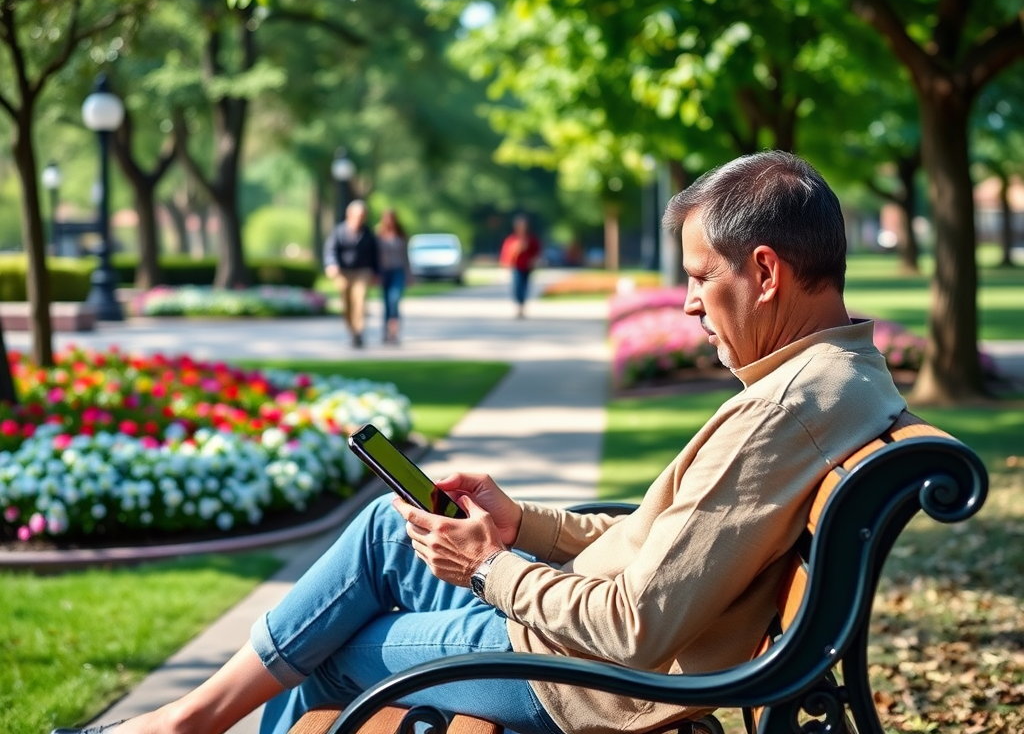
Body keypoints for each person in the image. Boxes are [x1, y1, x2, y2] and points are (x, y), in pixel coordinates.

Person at [54, 151, 908, 734]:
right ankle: (190, 720)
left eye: (697, 278)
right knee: (393, 529)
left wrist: (487, 568)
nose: (687, 304)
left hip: (587, 684)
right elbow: (656, 545)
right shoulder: (829, 381)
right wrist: (517, 522)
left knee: (335, 655)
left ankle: (186, 723)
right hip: (574, 637)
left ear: (764, 273)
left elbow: (637, 627)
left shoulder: (786, 412)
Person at [323, 200, 379, 348]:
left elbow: (375, 254)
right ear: (350, 215)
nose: (361, 218)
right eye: (358, 215)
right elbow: (331, 250)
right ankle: (352, 331)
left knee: (360, 301)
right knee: (346, 304)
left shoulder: (367, 233)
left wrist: (376, 272)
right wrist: (331, 265)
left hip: (362, 271)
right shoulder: (339, 231)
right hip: (344, 272)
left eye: (363, 216)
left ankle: (359, 332)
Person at [375, 208, 412, 345]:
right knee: (385, 303)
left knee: (394, 301)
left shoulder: (401, 235)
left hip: (398, 271)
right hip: (384, 272)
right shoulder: (379, 234)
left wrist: (409, 274)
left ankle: (394, 332)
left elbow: (406, 256)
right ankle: (385, 332)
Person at [499, 214, 542, 318]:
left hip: (527, 266)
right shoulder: (512, 239)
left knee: (524, 286)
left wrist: (534, 261)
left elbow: (536, 252)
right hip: (516, 266)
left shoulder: (531, 239)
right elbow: (506, 253)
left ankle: (522, 307)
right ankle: (518, 306)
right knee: (517, 287)